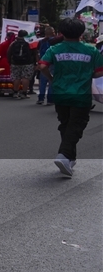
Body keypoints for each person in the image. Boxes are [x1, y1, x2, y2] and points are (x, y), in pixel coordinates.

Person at [38, 17, 103, 178]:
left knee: (66, 124)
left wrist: (52, 79)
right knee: (77, 125)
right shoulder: (91, 50)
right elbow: (100, 71)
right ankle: (64, 155)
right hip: (81, 95)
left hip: (60, 93)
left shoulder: (55, 49)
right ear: (81, 33)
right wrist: (88, 75)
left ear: (61, 33)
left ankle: (70, 158)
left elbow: (42, 66)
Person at [7, 30, 35, 99]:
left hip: (15, 63)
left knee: (16, 77)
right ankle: (24, 93)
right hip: (27, 63)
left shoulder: (13, 43)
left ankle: (15, 92)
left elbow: (8, 52)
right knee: (26, 77)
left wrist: (10, 61)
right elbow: (34, 52)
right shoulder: (29, 43)